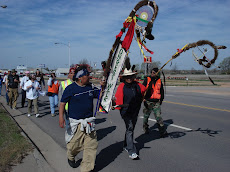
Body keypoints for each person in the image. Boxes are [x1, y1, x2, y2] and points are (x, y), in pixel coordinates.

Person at [59, 65, 105, 171]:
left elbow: (99, 95)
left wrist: (102, 87)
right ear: (80, 77)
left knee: (91, 146)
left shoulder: (91, 87)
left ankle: (86, 169)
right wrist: (61, 117)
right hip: (76, 123)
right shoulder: (70, 88)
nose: (89, 77)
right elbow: (62, 103)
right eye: (87, 75)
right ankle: (70, 156)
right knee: (73, 146)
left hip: (89, 122)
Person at [114, 67, 146, 160]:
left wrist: (151, 80)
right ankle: (131, 151)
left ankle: (125, 145)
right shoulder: (122, 86)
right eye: (127, 77)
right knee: (130, 128)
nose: (129, 78)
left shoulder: (138, 85)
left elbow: (145, 91)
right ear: (124, 78)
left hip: (135, 111)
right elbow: (117, 100)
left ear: (133, 76)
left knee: (130, 130)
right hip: (125, 112)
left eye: (131, 76)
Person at [142, 67, 168, 137]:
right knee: (146, 117)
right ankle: (145, 128)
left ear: (157, 73)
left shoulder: (159, 81)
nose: (152, 74)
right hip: (148, 101)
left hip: (156, 102)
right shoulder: (147, 79)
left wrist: (161, 99)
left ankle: (162, 131)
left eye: (154, 73)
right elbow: (142, 89)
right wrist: (143, 98)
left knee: (158, 117)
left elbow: (161, 91)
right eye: (152, 72)